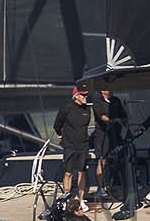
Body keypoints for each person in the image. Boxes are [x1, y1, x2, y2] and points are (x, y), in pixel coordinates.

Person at [53, 86, 93, 214]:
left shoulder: (87, 108)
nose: (85, 97)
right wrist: (61, 134)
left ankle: (81, 200)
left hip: (83, 145)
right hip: (69, 145)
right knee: (68, 173)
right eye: (82, 95)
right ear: (76, 96)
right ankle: (66, 199)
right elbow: (57, 124)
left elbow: (85, 123)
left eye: (86, 95)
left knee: (81, 172)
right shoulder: (67, 108)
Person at [91, 88, 128, 195]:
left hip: (116, 133)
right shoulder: (97, 100)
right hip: (103, 134)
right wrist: (111, 120)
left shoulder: (116, 100)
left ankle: (123, 184)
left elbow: (123, 115)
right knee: (102, 159)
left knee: (120, 158)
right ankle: (101, 187)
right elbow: (101, 116)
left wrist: (122, 121)